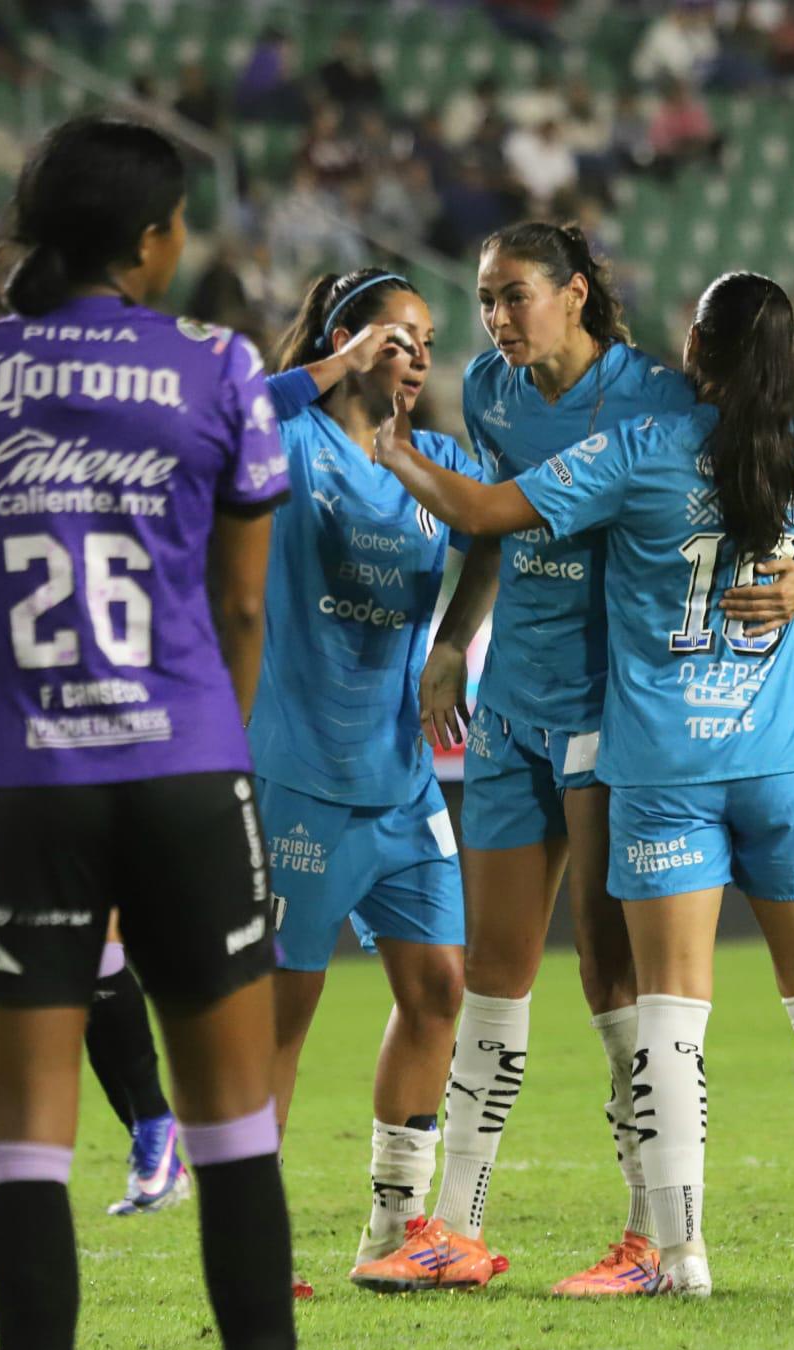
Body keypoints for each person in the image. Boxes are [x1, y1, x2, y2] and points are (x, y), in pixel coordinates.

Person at [0, 116, 322, 1350]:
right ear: (154, 240)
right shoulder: (219, 367)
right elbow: (243, 613)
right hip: (187, 778)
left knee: (23, 1152)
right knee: (233, 1134)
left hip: (25, 796)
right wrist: (210, 756)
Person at [373, 269, 794, 1298]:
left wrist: (390, 445)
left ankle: (677, 1254)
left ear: (694, 356)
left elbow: (490, 507)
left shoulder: (642, 448)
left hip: (664, 763)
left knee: (669, 1014)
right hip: (784, 758)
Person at [248, 268, 498, 1291]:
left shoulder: (431, 459)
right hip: (299, 771)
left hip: (398, 777)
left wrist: (452, 642)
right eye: (396, 335)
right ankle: (251, 1246)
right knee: (279, 1011)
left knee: (440, 983)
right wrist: (332, 368)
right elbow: (223, 418)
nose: (416, 355)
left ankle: (393, 1229)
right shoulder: (289, 443)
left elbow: (493, 530)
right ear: (345, 337)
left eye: (427, 341)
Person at [0, 538, 190, 1218]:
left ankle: (158, 1134)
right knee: (76, 964)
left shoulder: (120, 523)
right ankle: (155, 1144)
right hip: (15, 764)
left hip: (113, 749)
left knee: (96, 944)